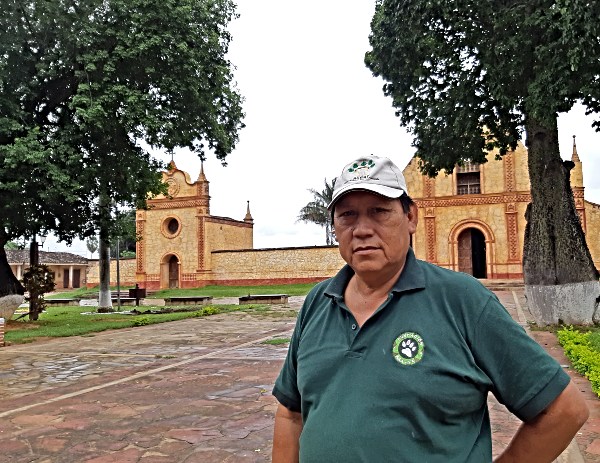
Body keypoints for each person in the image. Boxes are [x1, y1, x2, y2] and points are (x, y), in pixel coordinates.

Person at [272, 155, 589, 462]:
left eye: (379, 211)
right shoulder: (318, 302)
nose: (362, 229)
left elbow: (564, 410)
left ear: (411, 217)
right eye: (347, 215)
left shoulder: (463, 301)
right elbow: (290, 412)